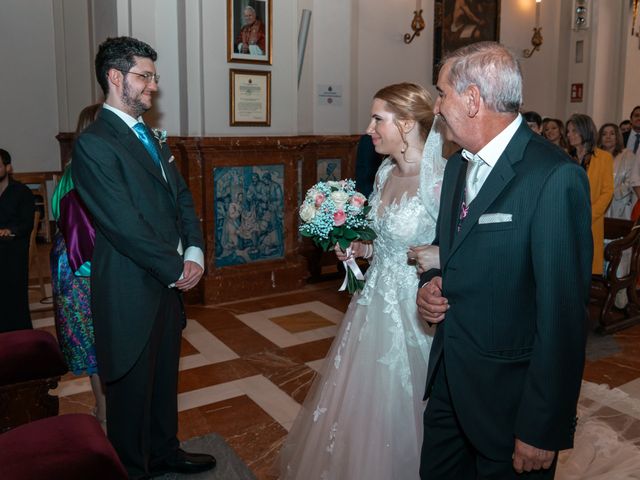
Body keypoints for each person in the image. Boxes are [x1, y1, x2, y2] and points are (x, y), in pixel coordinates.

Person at [417, 42, 592, 480]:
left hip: (509, 407)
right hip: (449, 388)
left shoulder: (554, 177)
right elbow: (451, 252)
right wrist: (433, 282)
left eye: (443, 94)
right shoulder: (458, 167)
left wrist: (542, 425)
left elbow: (563, 316)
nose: (437, 107)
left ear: (473, 99)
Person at [279, 83, 445, 479]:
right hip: (372, 306)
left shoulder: (439, 181)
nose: (369, 128)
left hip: (418, 309)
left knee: (408, 405)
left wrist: (438, 260)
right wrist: (360, 249)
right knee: (363, 406)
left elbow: (459, 250)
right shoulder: (386, 171)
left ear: (405, 124)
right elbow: (383, 244)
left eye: (377, 119)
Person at [71, 37, 214, 479]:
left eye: (153, 76)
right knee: (131, 389)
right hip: (130, 285)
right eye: (145, 76)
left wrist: (193, 251)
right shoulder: (94, 143)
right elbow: (123, 224)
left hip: (168, 283)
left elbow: (181, 197)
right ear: (116, 78)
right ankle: (133, 468)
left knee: (163, 379)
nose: (153, 85)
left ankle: (165, 451)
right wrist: (176, 269)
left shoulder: (150, 135)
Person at [50, 103, 106, 429]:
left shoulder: (76, 167)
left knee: (96, 348)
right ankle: (105, 413)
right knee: (98, 344)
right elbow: (83, 242)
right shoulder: (84, 172)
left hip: (72, 262)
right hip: (82, 269)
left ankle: (103, 409)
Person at [567, 113, 614, 275]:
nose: (569, 134)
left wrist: (588, 215)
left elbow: (607, 192)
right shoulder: (566, 157)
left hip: (591, 221)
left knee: (586, 269)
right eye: (568, 131)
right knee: (567, 269)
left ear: (584, 131)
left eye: (573, 130)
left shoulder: (604, 158)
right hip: (567, 219)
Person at [0, 148, 35, 332]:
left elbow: (26, 224)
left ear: (8, 167)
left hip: (13, 246)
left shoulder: (22, 192)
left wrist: (8, 231)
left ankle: (16, 330)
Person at [599, 123, 636, 219]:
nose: (608, 137)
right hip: (598, 204)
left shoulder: (628, 155)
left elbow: (631, 181)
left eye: (612, 133)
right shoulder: (595, 157)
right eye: (604, 134)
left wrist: (610, 193)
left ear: (617, 137)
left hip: (620, 205)